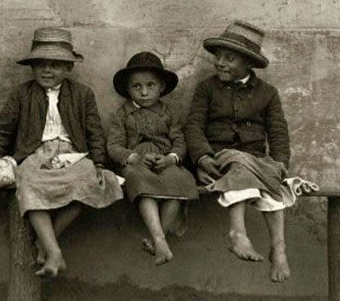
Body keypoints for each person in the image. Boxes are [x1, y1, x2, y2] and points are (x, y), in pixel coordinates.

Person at [0, 28, 123, 278]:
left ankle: (44, 243)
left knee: (90, 183)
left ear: (68, 68)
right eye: (40, 65)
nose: (47, 70)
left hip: (73, 154)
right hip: (35, 152)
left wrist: (99, 163)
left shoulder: (82, 94)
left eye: (55, 65)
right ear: (32, 67)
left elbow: (95, 133)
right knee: (27, 182)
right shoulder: (22, 94)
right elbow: (3, 127)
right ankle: (54, 251)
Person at [185, 20, 292, 282]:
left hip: (255, 160)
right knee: (239, 163)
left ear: (248, 64)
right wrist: (202, 156)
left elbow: (278, 132)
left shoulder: (267, 93)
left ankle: (278, 246)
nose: (220, 63)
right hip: (217, 159)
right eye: (218, 57)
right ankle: (237, 234)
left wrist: (279, 162)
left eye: (229, 58)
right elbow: (194, 127)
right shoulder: (207, 89)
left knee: (273, 181)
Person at [107, 52, 198, 265]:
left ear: (162, 87)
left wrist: (171, 159)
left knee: (179, 182)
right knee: (140, 182)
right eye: (136, 87)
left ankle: (159, 239)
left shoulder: (168, 113)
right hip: (137, 164)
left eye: (151, 85)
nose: (144, 92)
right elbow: (113, 146)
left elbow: (180, 142)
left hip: (164, 161)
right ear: (128, 90)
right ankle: (159, 238)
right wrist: (134, 157)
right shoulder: (123, 114)